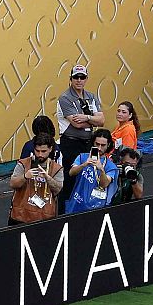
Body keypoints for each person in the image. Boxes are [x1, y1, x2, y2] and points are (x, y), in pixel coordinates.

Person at [55, 63, 103, 206]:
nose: (79, 80)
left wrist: (87, 118)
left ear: (86, 78)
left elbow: (102, 120)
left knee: (89, 174)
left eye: (82, 77)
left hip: (88, 142)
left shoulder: (91, 96)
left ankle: (86, 205)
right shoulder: (65, 98)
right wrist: (94, 120)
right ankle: (66, 210)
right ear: (71, 78)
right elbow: (77, 124)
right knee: (71, 177)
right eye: (76, 77)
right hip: (71, 143)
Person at [7, 132, 62, 225]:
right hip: (20, 216)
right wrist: (25, 176)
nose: (40, 154)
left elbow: (58, 190)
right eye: (37, 151)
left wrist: (47, 178)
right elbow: (12, 184)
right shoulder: (23, 164)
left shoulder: (57, 168)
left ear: (50, 149)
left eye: (43, 151)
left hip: (44, 217)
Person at [64, 128, 117, 214]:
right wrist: (84, 164)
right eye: (97, 144)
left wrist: (102, 170)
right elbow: (71, 172)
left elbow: (104, 184)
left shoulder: (111, 166)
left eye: (103, 145)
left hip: (97, 207)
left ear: (108, 145)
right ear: (93, 142)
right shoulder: (82, 157)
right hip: (76, 203)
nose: (99, 148)